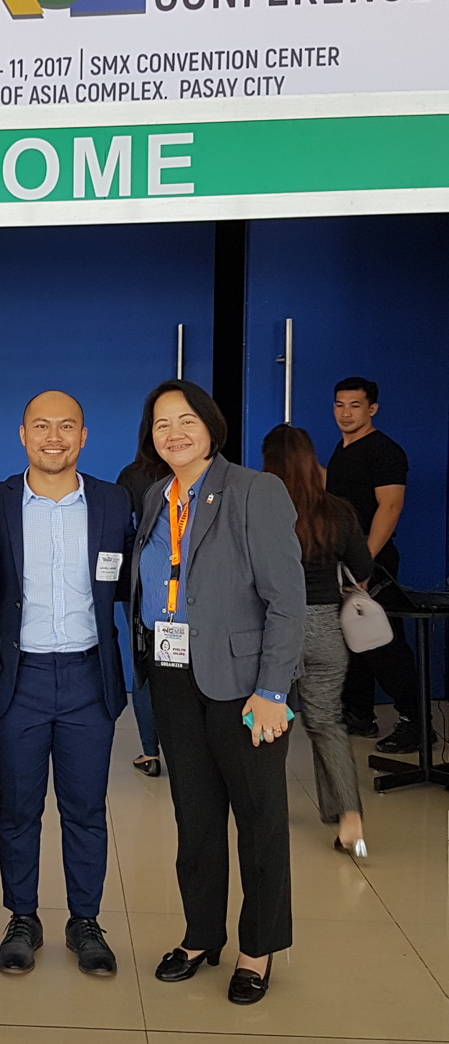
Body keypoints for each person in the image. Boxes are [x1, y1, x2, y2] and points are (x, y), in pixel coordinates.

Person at [132, 380, 304, 1005]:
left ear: (210, 425)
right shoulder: (156, 496)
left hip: (244, 687)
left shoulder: (256, 491)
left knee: (259, 820)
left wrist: (273, 690)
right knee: (195, 818)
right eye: (161, 424)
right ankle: (201, 935)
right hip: (174, 679)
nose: (174, 433)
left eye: (186, 420)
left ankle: (257, 949)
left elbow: (287, 600)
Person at [0, 391, 134, 978]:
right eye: (41, 426)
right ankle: (22, 917)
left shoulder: (113, 500)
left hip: (90, 676)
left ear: (83, 436)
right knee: (18, 809)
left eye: (66, 426)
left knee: (86, 809)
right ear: (22, 434)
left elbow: (132, 582)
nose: (53, 437)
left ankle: (85, 920)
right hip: (19, 677)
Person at [263, 424, 374, 856]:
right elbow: (362, 568)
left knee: (271, 721)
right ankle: (348, 817)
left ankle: (267, 808)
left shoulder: (262, 510)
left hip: (275, 627)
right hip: (327, 627)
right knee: (327, 723)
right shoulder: (339, 510)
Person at [326, 377, 422, 753]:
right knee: (353, 640)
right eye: (340, 405)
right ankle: (359, 714)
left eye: (355, 405)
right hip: (344, 560)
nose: (346, 413)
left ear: (372, 409)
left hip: (371, 562)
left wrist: (364, 565)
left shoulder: (384, 451)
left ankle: (416, 722)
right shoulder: (343, 449)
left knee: (383, 643)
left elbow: (390, 507)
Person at [118, 441, 162, 777]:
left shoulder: (133, 475)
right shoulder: (201, 475)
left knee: (143, 666)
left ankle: (150, 752)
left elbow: (122, 532)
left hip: (142, 583)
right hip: (189, 584)